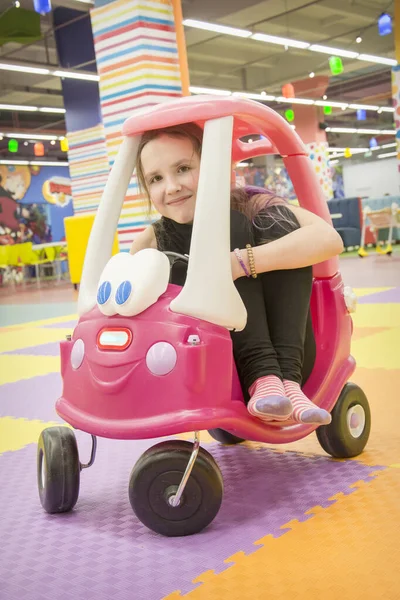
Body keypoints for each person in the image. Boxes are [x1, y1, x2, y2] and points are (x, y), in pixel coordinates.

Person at [130, 123, 344, 426]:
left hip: (290, 362)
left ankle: (278, 380)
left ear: (213, 166)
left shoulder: (251, 203)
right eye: (156, 178)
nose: (171, 187)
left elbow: (329, 239)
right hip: (212, 369)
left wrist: (239, 263)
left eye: (183, 169)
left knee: (276, 226)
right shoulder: (152, 239)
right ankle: (262, 376)